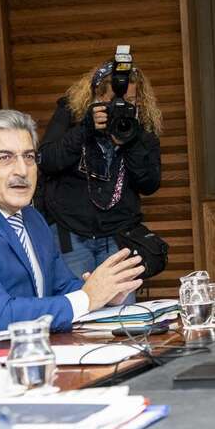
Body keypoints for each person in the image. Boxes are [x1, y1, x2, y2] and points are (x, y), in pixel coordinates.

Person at [0, 110, 144, 348]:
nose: (22, 171)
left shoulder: (32, 218)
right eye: (4, 158)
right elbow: (0, 320)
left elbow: (62, 287)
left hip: (31, 357)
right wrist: (87, 298)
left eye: (28, 157)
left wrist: (106, 294)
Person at [36, 59, 161, 298]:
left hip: (117, 236)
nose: (120, 107)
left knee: (121, 314)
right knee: (76, 308)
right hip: (70, 235)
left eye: (130, 101)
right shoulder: (71, 114)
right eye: (112, 101)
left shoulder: (140, 128)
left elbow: (150, 184)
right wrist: (85, 129)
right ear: (95, 98)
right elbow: (47, 161)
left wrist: (131, 141)